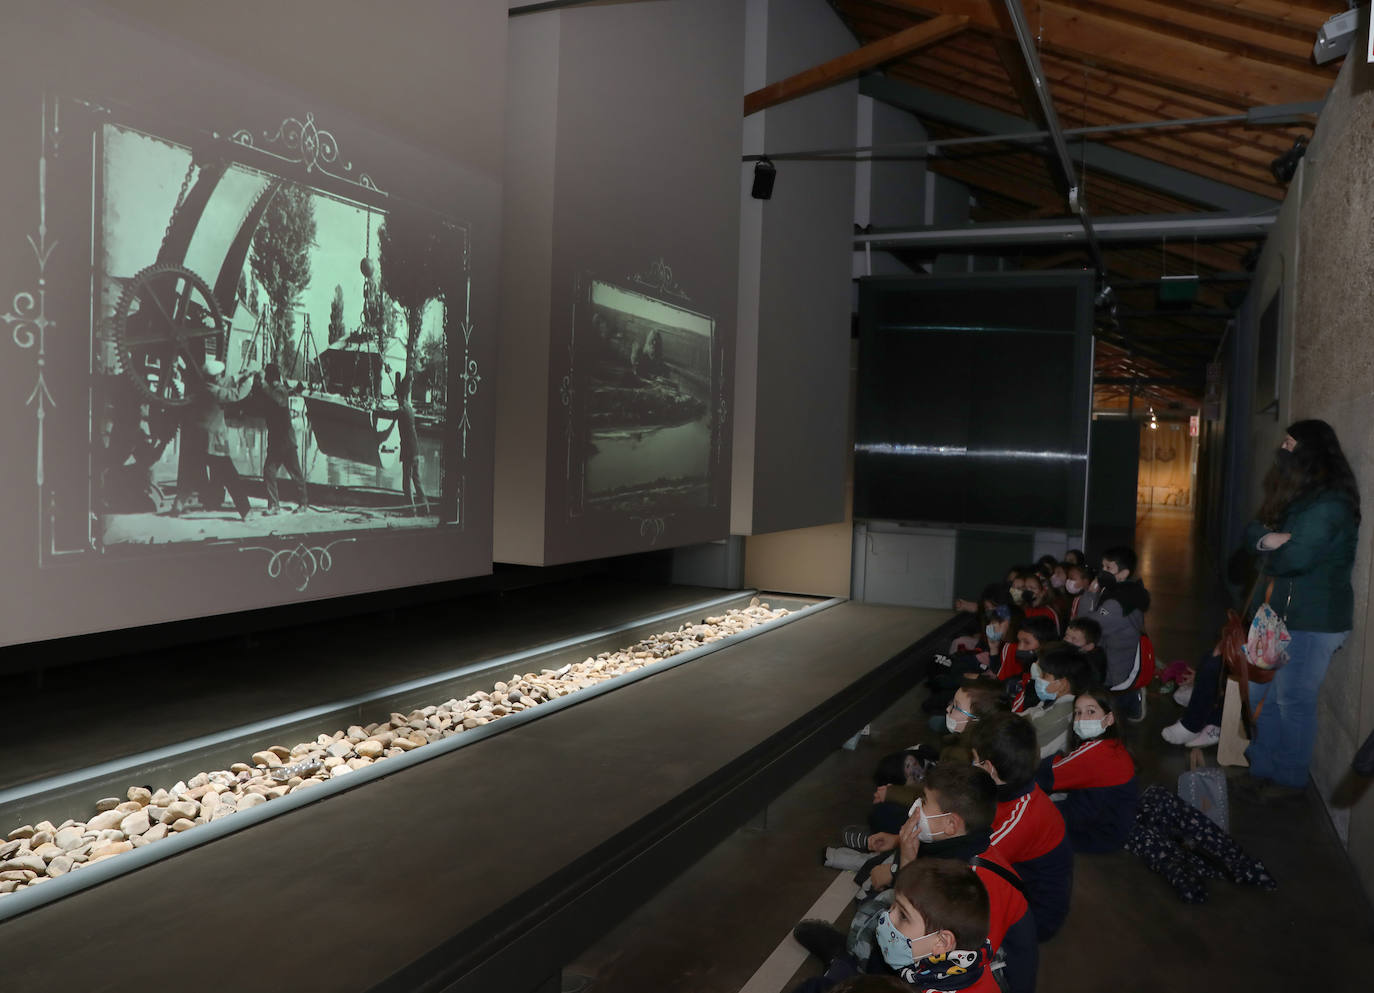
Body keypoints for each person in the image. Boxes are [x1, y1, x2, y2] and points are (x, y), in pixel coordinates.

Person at [1241, 419, 1360, 800]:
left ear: (1311, 450)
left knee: (1291, 701)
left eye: (1290, 443)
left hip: (1313, 620)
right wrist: (1267, 540)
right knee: (1265, 698)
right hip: (1280, 614)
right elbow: (1254, 530)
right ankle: (1262, 768)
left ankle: (1289, 778)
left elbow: (1297, 557)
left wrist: (1272, 546)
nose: (1283, 450)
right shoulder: (1301, 495)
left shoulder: (1330, 503)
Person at [790, 860, 999, 993]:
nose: (887, 916)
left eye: (903, 916)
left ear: (942, 941)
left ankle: (843, 964)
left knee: (816, 987)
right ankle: (848, 964)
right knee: (882, 955)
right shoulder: (965, 962)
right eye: (893, 907)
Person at [969, 713, 1073, 941]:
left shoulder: (1021, 818)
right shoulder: (1016, 787)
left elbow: (967, 867)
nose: (971, 764)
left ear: (989, 767)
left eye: (974, 759)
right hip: (1026, 888)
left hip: (1035, 920)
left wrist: (899, 864)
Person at [1036, 688, 1139, 853]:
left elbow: (1046, 774)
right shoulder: (1112, 745)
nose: (1082, 718)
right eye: (1077, 713)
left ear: (1109, 718)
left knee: (1028, 816)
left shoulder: (1096, 753)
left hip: (1096, 834)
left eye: (1091, 711)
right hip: (1104, 822)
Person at [1078, 546, 1150, 719]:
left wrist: (1089, 594)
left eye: (1108, 568)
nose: (1102, 572)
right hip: (1118, 655)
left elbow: (1085, 627)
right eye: (1102, 567)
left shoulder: (1117, 603)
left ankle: (1132, 700)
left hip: (1114, 669)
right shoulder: (1128, 591)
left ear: (1123, 574)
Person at [175, 358, 252, 521]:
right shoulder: (213, 391)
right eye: (220, 375)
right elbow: (234, 395)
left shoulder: (202, 386)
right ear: (216, 377)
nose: (221, 377)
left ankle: (178, 504)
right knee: (230, 475)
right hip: (214, 441)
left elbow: (225, 382)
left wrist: (241, 375)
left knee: (191, 472)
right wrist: (249, 381)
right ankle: (246, 511)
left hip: (198, 440)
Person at [1017, 647, 1092, 758]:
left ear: (1062, 684)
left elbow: (1020, 735)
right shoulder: (1051, 702)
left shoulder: (1063, 713)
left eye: (1044, 675)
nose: (1038, 679)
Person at [256, 363, 309, 515]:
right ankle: (274, 506)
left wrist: (264, 385)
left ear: (270, 376)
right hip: (276, 441)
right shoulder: (270, 390)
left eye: (266, 375)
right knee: (269, 471)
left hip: (285, 441)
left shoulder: (280, 390)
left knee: (295, 473)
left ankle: (303, 503)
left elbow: (278, 400)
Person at [396, 373, 430, 517]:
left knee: (406, 482)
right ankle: (426, 508)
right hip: (416, 450)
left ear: (400, 397)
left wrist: (374, 413)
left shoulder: (402, 410)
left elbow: (388, 414)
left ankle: (411, 510)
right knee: (417, 480)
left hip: (409, 452)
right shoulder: (409, 408)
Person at [1063, 617, 1107, 685]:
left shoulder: (1091, 668)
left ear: (1089, 646)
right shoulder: (1065, 650)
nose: (1067, 641)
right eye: (1066, 636)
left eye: (1074, 639)